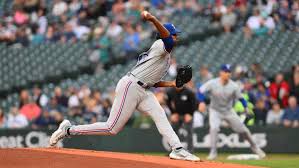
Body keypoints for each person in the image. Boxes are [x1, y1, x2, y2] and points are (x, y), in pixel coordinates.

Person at [49, 11, 200, 161]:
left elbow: (152, 81)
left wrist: (171, 84)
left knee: (160, 114)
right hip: (131, 86)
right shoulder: (161, 44)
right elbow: (168, 39)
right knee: (111, 128)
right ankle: (68, 130)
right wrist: (153, 19)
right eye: (174, 34)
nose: (176, 37)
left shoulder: (165, 56)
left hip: (143, 89)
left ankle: (177, 149)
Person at [198, 64, 266, 160]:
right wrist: (201, 102)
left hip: (228, 111)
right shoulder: (213, 83)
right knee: (214, 129)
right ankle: (213, 152)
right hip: (215, 110)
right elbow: (200, 91)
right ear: (221, 73)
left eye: (229, 72)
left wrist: (246, 107)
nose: (228, 74)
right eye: (226, 71)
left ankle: (255, 148)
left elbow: (241, 99)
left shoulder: (234, 86)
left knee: (243, 130)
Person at [166, 86, 198, 152]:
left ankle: (190, 151)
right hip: (177, 114)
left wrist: (190, 114)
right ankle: (172, 150)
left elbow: (195, 103)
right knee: (173, 132)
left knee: (189, 132)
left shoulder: (189, 91)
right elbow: (168, 102)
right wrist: (173, 113)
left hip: (187, 114)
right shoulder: (170, 91)